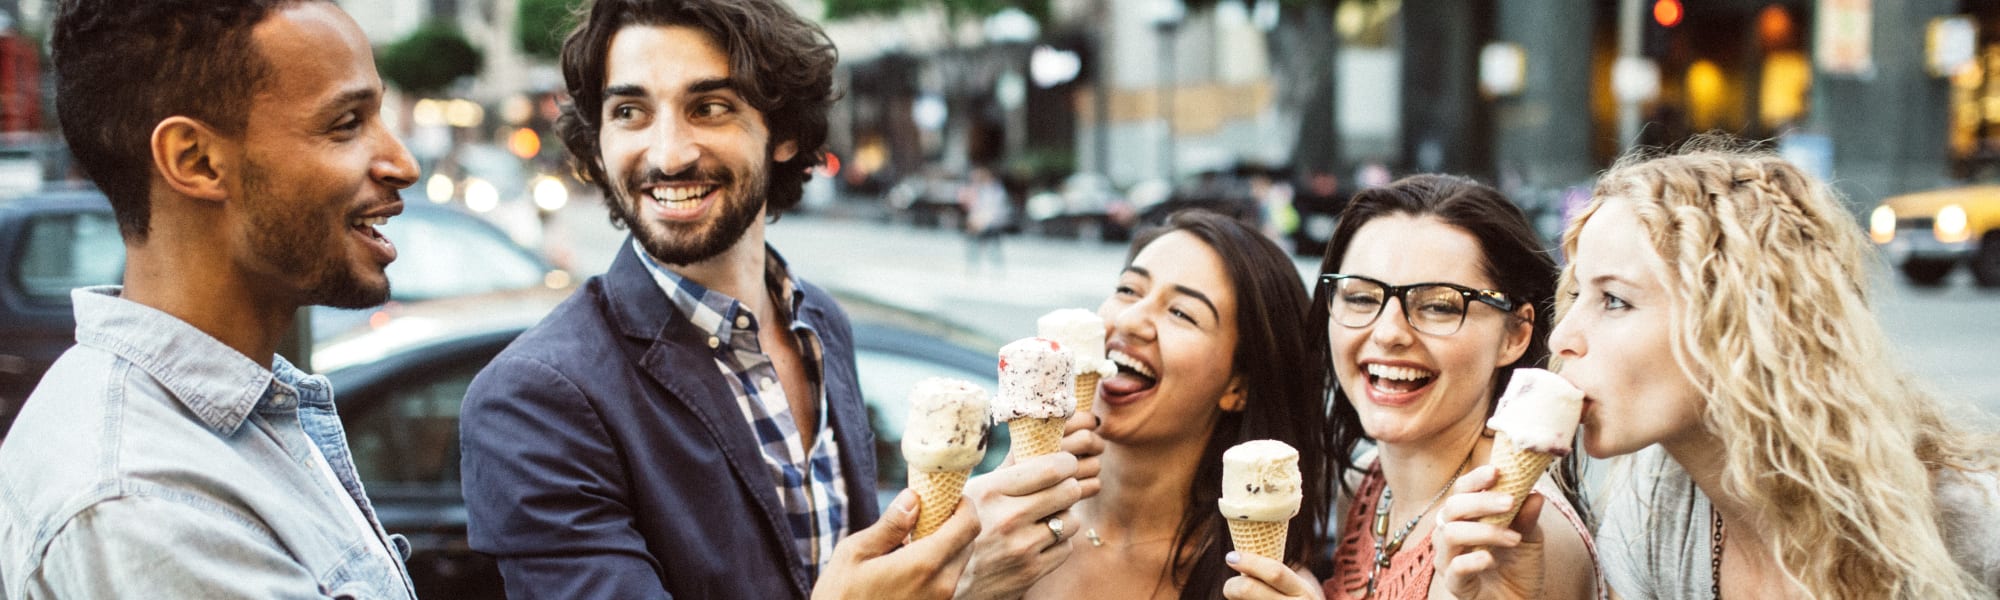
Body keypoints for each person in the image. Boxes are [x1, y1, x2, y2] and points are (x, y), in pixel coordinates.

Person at [458, 1, 1078, 598]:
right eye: (630, 112)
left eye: (710, 107)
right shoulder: (532, 400)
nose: (669, 153)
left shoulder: (821, 325)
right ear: (598, 140)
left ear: (782, 132)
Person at [1434, 138, 2000, 599]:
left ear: (1740, 327)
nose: (1561, 337)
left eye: (1614, 300)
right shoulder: (1653, 513)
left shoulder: (1968, 525)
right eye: (1576, 292)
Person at [0, 0, 422, 596]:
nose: (403, 163)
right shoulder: (145, 503)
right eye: (346, 123)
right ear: (195, 160)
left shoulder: (210, 428)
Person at [1225, 175, 1601, 600]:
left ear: (1515, 334)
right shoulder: (1365, 487)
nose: (1388, 333)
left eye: (1440, 306)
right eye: (1361, 298)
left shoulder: (1519, 541)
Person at [1021, 210, 1331, 600]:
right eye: (1129, 290)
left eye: (1181, 312)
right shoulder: (998, 533)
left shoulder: (1266, 588)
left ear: (1239, 385)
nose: (1132, 320)